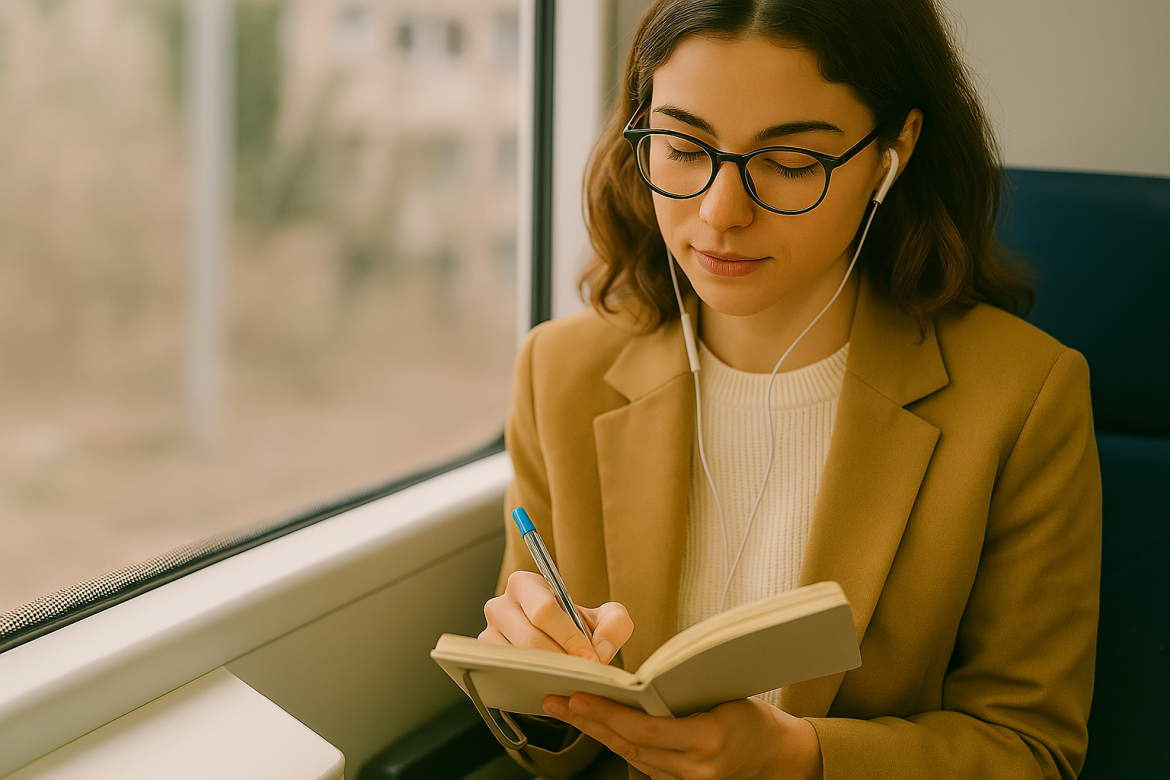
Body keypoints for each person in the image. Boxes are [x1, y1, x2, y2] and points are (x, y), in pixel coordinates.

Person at [479, 1, 1101, 778]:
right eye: (680, 145)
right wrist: (530, 677)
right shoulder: (559, 372)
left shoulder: (1024, 396)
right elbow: (550, 746)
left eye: (793, 163)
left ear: (893, 151)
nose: (719, 213)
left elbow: (1030, 751)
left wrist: (800, 759)